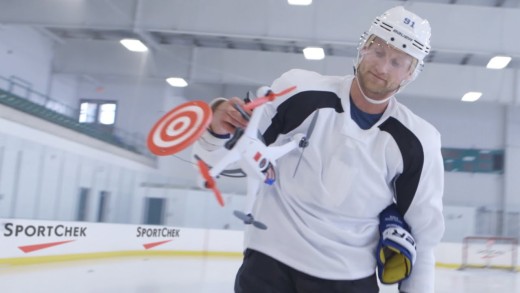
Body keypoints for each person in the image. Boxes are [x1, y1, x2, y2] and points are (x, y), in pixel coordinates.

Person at [193, 6, 444, 293]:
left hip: (349, 279)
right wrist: (216, 129)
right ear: (363, 47)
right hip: (268, 265)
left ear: (410, 74)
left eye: (398, 62)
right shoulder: (297, 90)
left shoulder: (419, 141)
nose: (383, 67)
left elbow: (423, 237)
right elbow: (230, 156)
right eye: (378, 50)